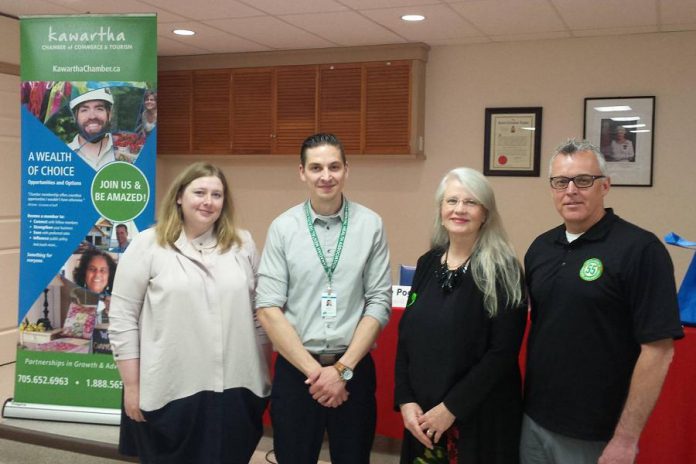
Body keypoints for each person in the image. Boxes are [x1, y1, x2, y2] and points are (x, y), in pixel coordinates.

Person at [521, 139, 683, 464]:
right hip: (534, 422)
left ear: (605, 185)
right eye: (560, 182)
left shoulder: (640, 250)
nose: (571, 190)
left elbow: (659, 351)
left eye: (583, 180)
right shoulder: (540, 249)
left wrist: (626, 438)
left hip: (597, 434)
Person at [108, 162, 270, 463]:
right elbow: (122, 319)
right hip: (172, 390)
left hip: (237, 388)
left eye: (217, 195)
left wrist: (262, 374)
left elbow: (258, 315)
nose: (208, 201)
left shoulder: (242, 244)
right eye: (199, 192)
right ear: (179, 196)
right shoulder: (148, 245)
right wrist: (132, 387)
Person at [256, 133, 392, 464]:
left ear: (346, 169)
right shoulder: (283, 228)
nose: (326, 176)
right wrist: (318, 375)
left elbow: (378, 302)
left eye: (334, 166)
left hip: (354, 369)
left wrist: (341, 371)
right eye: (316, 167)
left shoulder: (370, 225)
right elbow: (268, 308)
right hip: (297, 372)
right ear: (302, 172)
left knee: (354, 458)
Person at [394, 167, 527, 463]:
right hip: (423, 418)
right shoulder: (427, 263)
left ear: (486, 213)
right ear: (441, 208)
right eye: (451, 201)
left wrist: (450, 409)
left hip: (479, 420)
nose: (459, 209)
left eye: (470, 202)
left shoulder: (502, 269)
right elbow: (406, 338)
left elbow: (502, 353)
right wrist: (406, 400)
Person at [67, 87, 116, 170]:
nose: (92, 116)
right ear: (75, 116)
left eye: (99, 109)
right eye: (84, 110)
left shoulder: (130, 151)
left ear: (109, 114)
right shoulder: (61, 155)